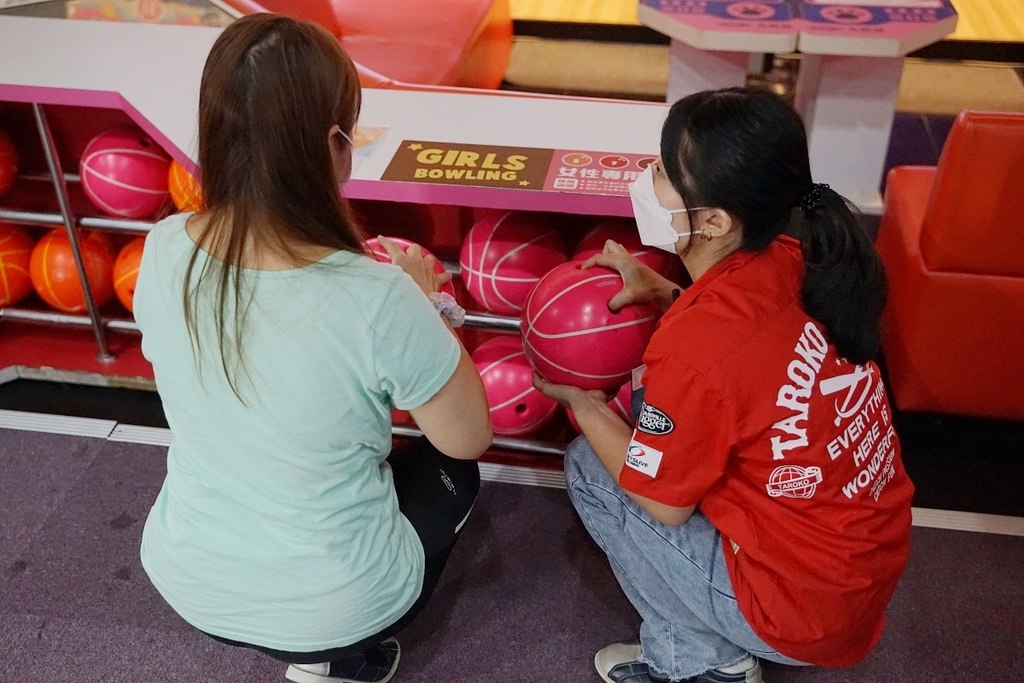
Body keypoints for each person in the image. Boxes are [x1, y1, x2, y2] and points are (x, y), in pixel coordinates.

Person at [133, 14, 492, 683]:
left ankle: (316, 651)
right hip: (335, 603)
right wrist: (431, 309)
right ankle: (339, 658)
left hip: (188, 575)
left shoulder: (163, 247)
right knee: (454, 476)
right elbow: (469, 435)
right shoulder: (380, 296)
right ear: (336, 143)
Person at [534, 88, 914, 683]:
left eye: (660, 171)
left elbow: (663, 501)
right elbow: (753, 352)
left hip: (797, 614)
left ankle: (701, 665)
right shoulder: (797, 259)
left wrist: (585, 406)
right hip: (855, 578)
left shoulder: (695, 348)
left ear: (713, 220)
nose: (645, 177)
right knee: (654, 432)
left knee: (590, 464)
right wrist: (667, 294)